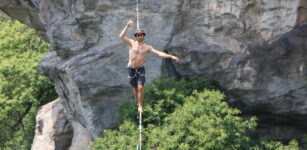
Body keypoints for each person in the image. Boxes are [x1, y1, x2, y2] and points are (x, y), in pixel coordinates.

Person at [119, 20, 180, 112]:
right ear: (136, 36)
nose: (140, 36)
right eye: (138, 35)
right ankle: (138, 102)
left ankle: (140, 105)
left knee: (141, 87)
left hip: (140, 69)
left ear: (143, 36)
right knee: (135, 88)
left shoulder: (147, 47)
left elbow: (159, 53)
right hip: (131, 69)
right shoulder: (132, 43)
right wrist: (127, 26)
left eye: (141, 35)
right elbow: (121, 36)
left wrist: (171, 56)